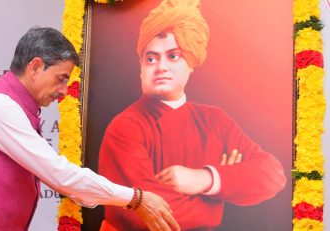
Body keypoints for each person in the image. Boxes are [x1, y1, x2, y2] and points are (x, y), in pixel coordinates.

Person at [0, 27, 180, 231]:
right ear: (35, 67)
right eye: (61, 78)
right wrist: (136, 199)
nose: (64, 91)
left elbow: (64, 180)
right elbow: (60, 175)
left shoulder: (18, 108)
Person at [98, 0, 287, 230]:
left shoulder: (214, 120)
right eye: (151, 58)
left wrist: (204, 179)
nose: (160, 67)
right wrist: (219, 196)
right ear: (141, 67)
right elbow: (148, 216)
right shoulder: (126, 127)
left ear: (191, 61)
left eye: (173, 56)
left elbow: (272, 174)